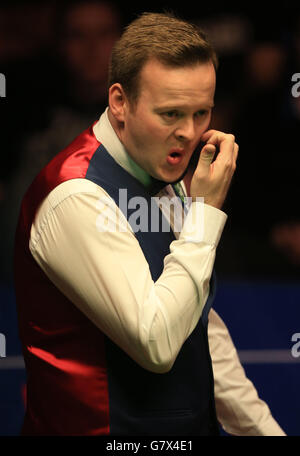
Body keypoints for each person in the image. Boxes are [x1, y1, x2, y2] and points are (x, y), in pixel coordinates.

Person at [14, 12, 284, 436]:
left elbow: (199, 329)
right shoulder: (76, 195)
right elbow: (155, 342)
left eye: (202, 113)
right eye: (171, 113)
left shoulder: (158, 167)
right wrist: (206, 212)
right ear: (120, 102)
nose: (189, 133)